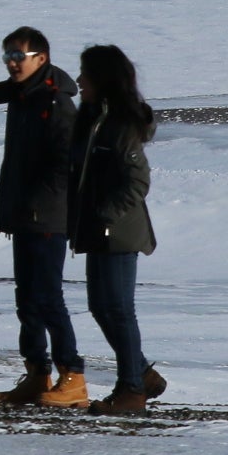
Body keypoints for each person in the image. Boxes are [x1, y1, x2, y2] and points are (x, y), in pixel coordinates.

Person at [0, 27, 85, 408]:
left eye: (19, 55)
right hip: (23, 214)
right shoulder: (22, 99)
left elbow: (66, 160)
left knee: (48, 298)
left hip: (47, 216)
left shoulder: (56, 102)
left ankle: (72, 376)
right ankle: (36, 374)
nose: (12, 62)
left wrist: (36, 198)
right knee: (26, 299)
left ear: (40, 59)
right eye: (7, 55)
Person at [70, 43, 166, 414]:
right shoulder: (93, 120)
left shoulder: (119, 124)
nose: (80, 81)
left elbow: (137, 181)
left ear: (103, 79)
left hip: (118, 231)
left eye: (86, 74)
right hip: (97, 230)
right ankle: (139, 373)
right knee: (102, 307)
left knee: (118, 309)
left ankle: (132, 390)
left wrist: (105, 215)